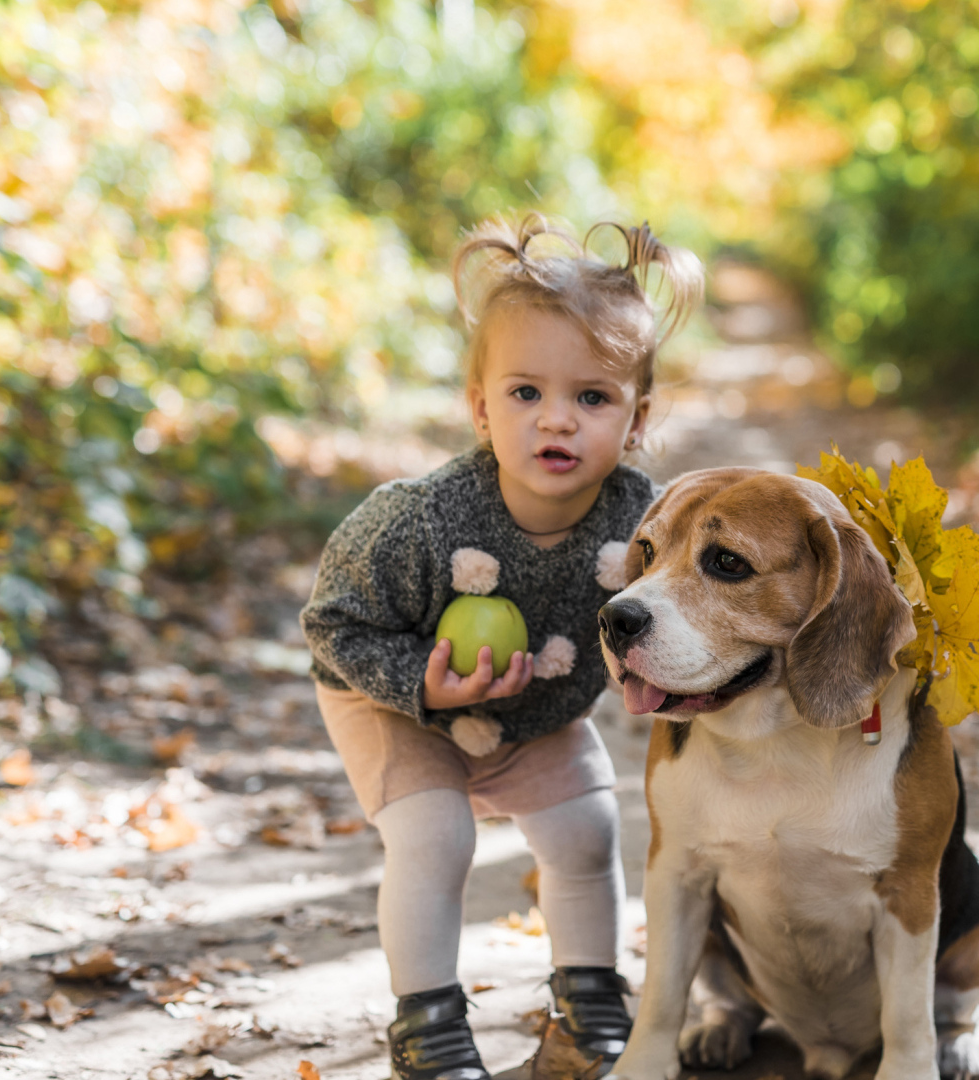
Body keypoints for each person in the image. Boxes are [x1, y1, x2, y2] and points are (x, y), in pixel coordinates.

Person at [301, 216, 703, 1080]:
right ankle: (428, 1028)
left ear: (636, 419)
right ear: (481, 408)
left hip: (534, 706)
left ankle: (590, 1004)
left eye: (592, 398)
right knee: (437, 836)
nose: (557, 420)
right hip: (391, 698)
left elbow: (677, 610)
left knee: (587, 828)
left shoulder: (644, 519)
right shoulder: (421, 520)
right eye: (526, 393)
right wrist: (419, 683)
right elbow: (333, 626)